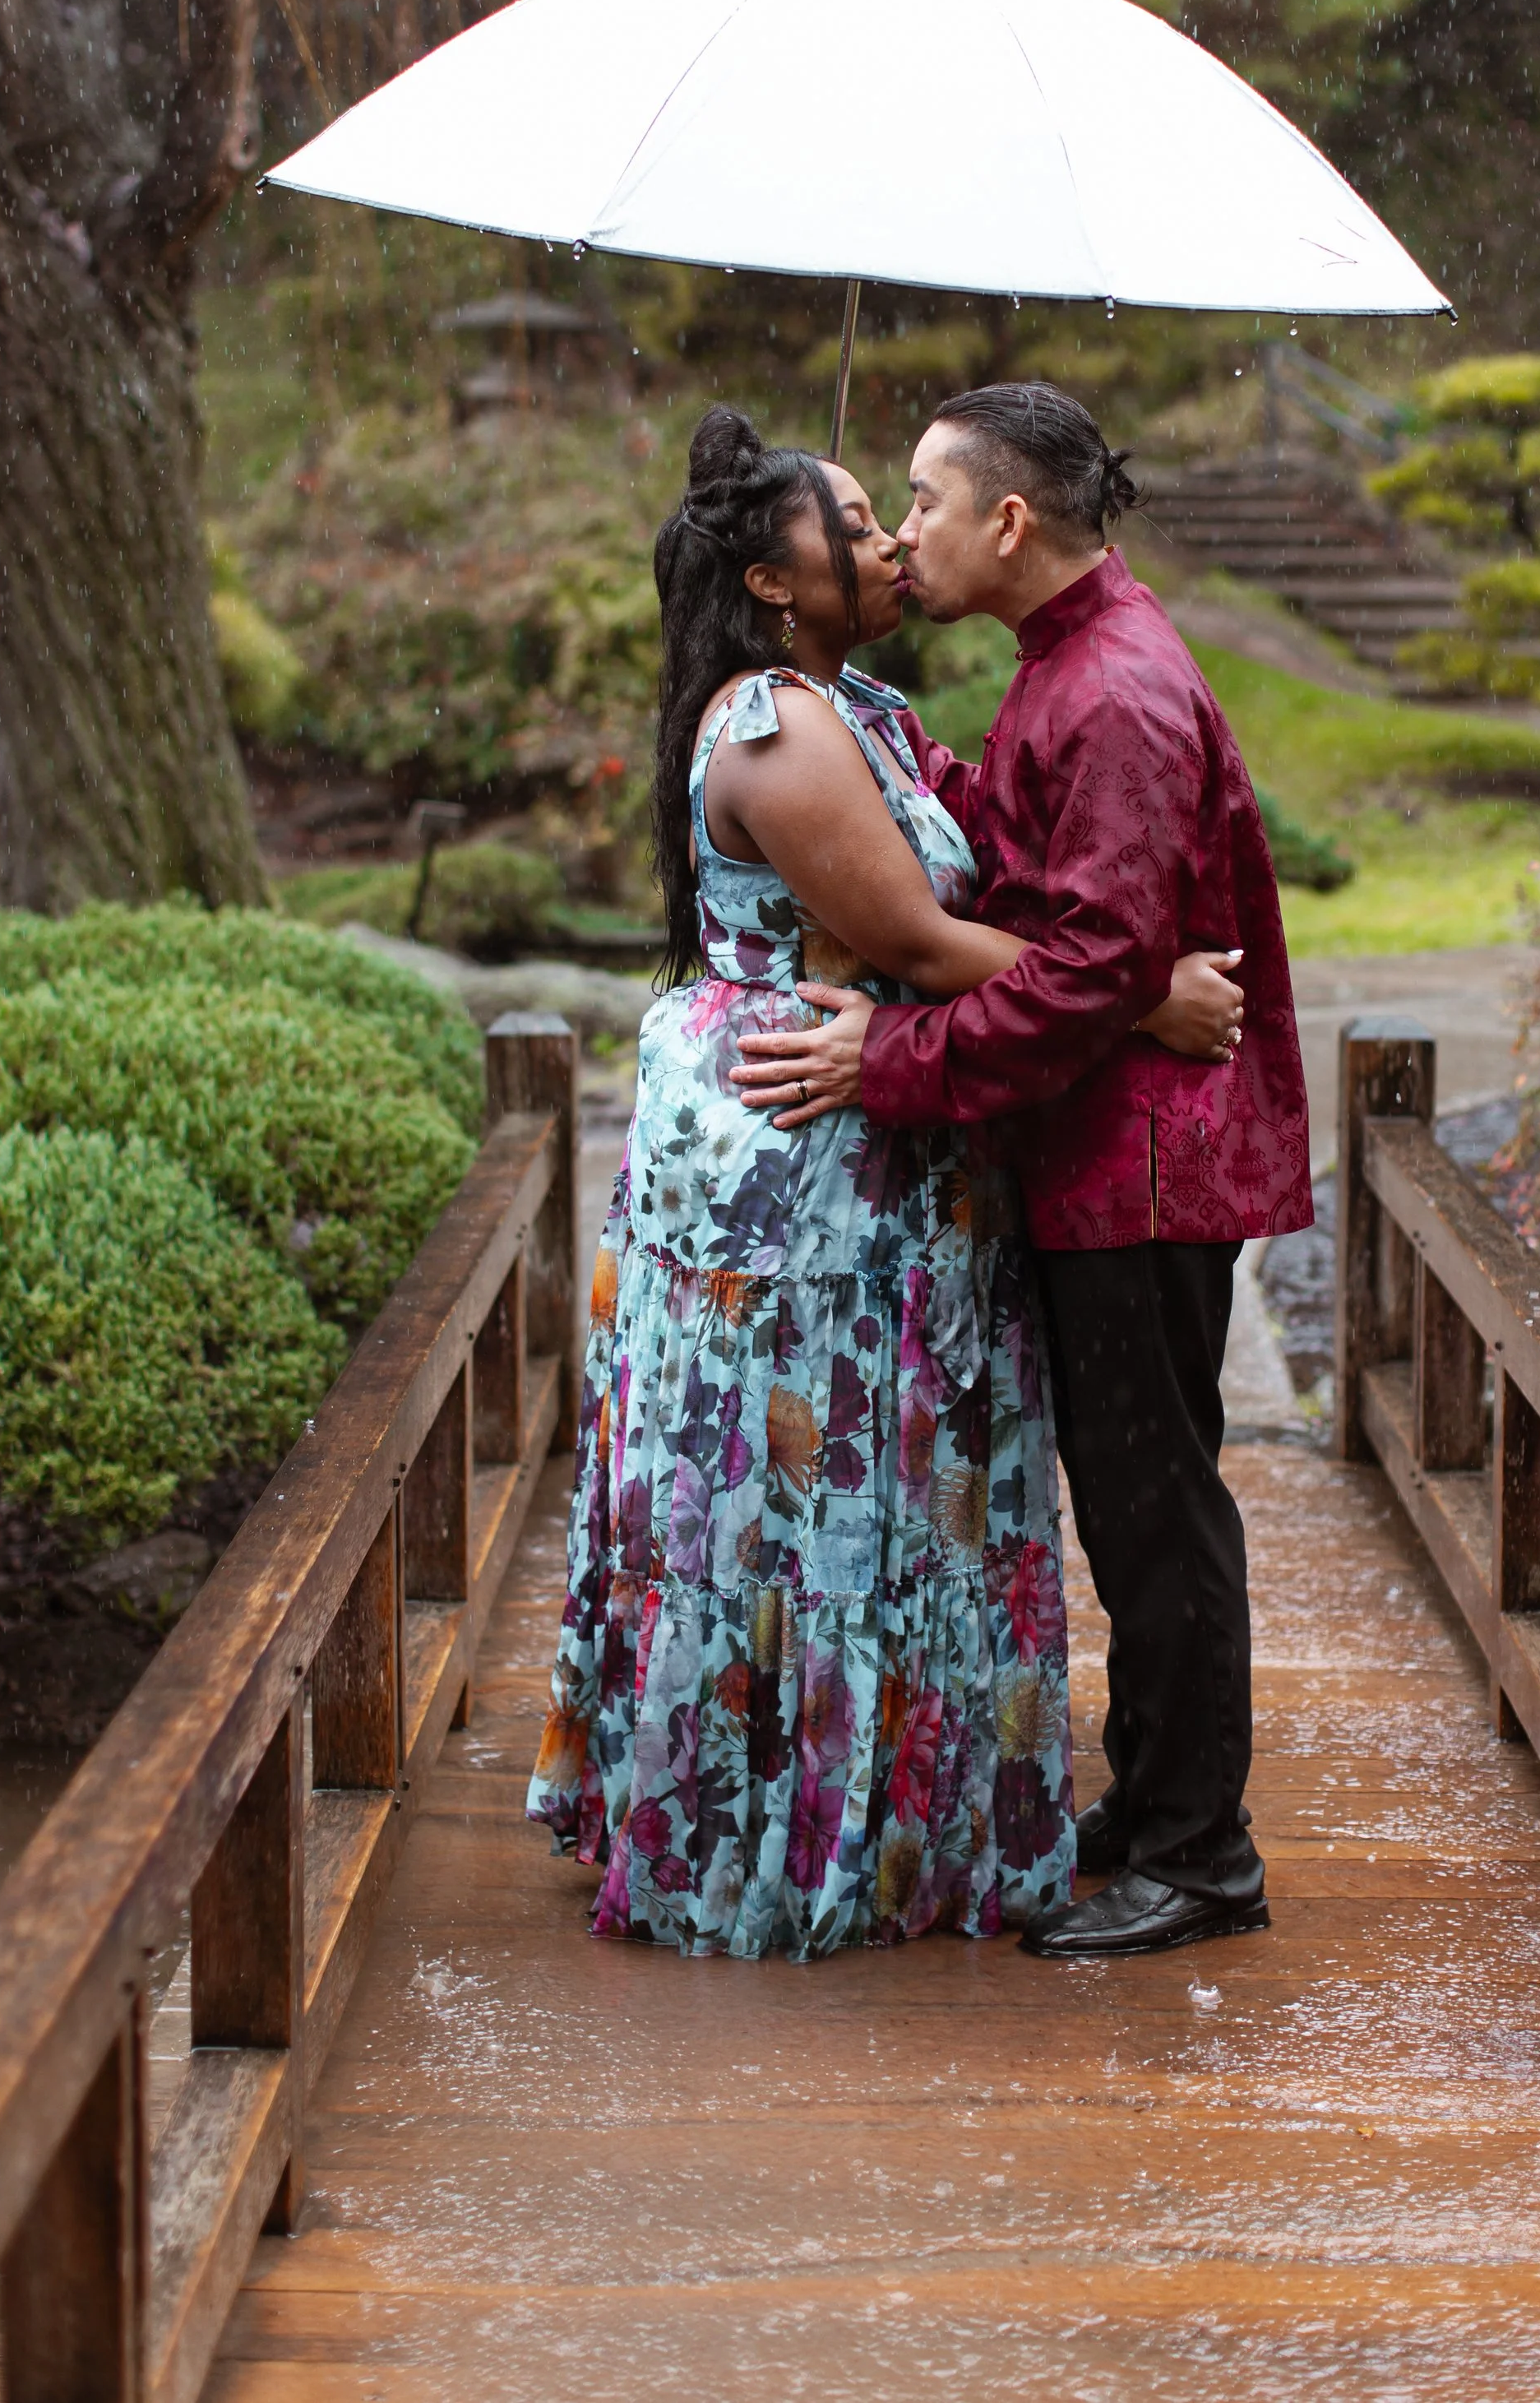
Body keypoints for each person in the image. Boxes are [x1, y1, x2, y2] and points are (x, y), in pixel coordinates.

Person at [525, 404, 1243, 1958]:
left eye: (898, 509)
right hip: (801, 1188)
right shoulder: (779, 731)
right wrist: (1142, 995)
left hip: (891, 1162)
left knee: (908, 1499)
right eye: (852, 521)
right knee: (800, 1511)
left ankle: (1051, 1820)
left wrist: (1105, 979)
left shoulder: (874, 702)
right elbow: (916, 946)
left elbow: (977, 877)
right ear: (771, 581)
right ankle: (785, 1832)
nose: (885, 539)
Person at [735, 383, 1311, 1961]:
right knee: (1135, 1499)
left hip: (1144, 1159)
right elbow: (1049, 888)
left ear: (1007, 521)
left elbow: (1090, 963)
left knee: (1155, 1509)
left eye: (921, 502)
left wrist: (889, 1063)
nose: (902, 530)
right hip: (1112, 1141)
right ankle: (1156, 1801)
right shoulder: (1063, 668)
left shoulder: (1111, 691)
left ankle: (1204, 1855)